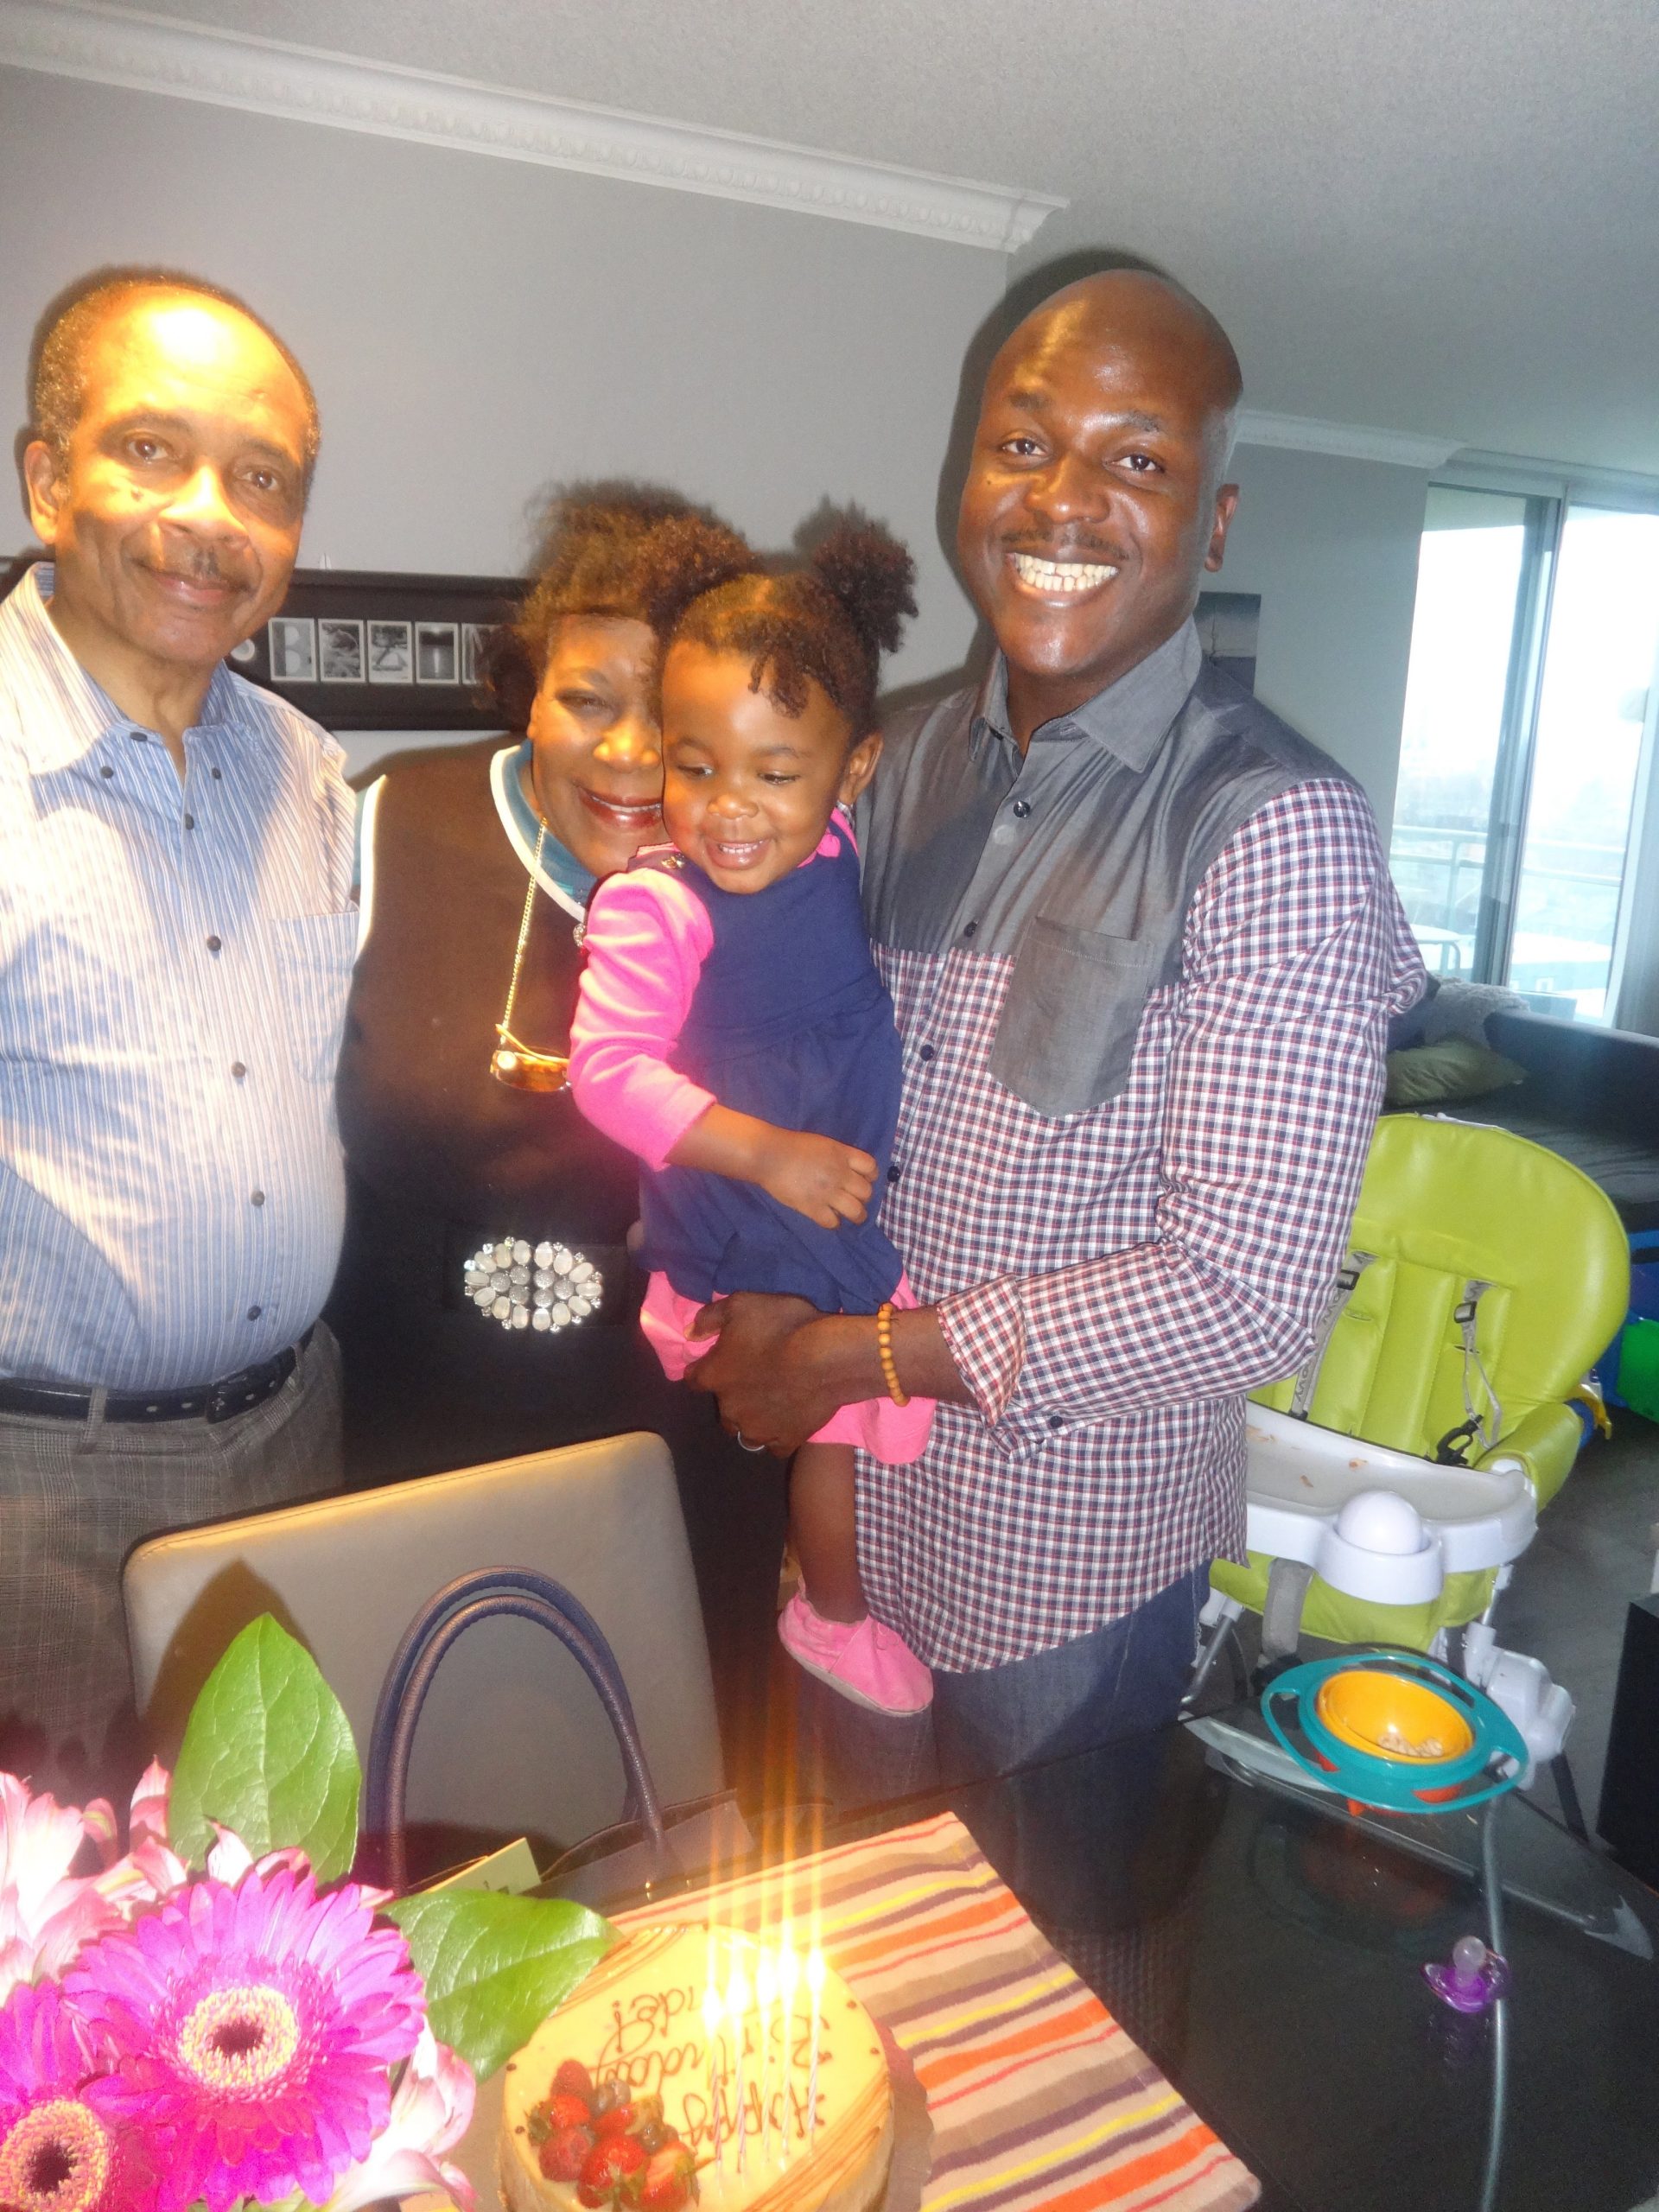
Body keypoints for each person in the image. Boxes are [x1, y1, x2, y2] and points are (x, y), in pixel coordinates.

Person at [682, 269, 1427, 1797]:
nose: (1064, 499)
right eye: (1022, 445)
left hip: (1065, 1575)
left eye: (1136, 459)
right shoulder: (893, 764)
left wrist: (854, 1356)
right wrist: (762, 1299)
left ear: (1214, 523)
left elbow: (1247, 1298)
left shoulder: (1277, 827)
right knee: (856, 1922)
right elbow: (793, 1053)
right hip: (853, 1530)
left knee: (1057, 1940)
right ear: (966, 477)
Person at [327, 489, 789, 1783]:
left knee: (672, 1821)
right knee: (419, 1823)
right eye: (589, 699)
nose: (632, 755)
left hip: (679, 1469)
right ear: (529, 690)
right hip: (410, 1447)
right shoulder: (388, 825)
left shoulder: (783, 878)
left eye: (676, 717)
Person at [1, 268, 353, 1791]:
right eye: (152, 451)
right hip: (40, 1497)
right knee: (58, 1908)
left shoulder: (312, 772)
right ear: (46, 479)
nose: (211, 516)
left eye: (262, 479)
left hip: (297, 1448)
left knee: (281, 1896)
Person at [567, 513, 934, 1718]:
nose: (730, 809)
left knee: (857, 1418)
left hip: (817, 1201)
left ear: (852, 772)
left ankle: (823, 1596)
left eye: (775, 775)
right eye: (695, 767)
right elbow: (607, 1072)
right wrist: (768, 1154)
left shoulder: (833, 851)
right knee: (834, 1421)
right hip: (743, 1223)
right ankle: (832, 1616)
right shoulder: (657, 904)